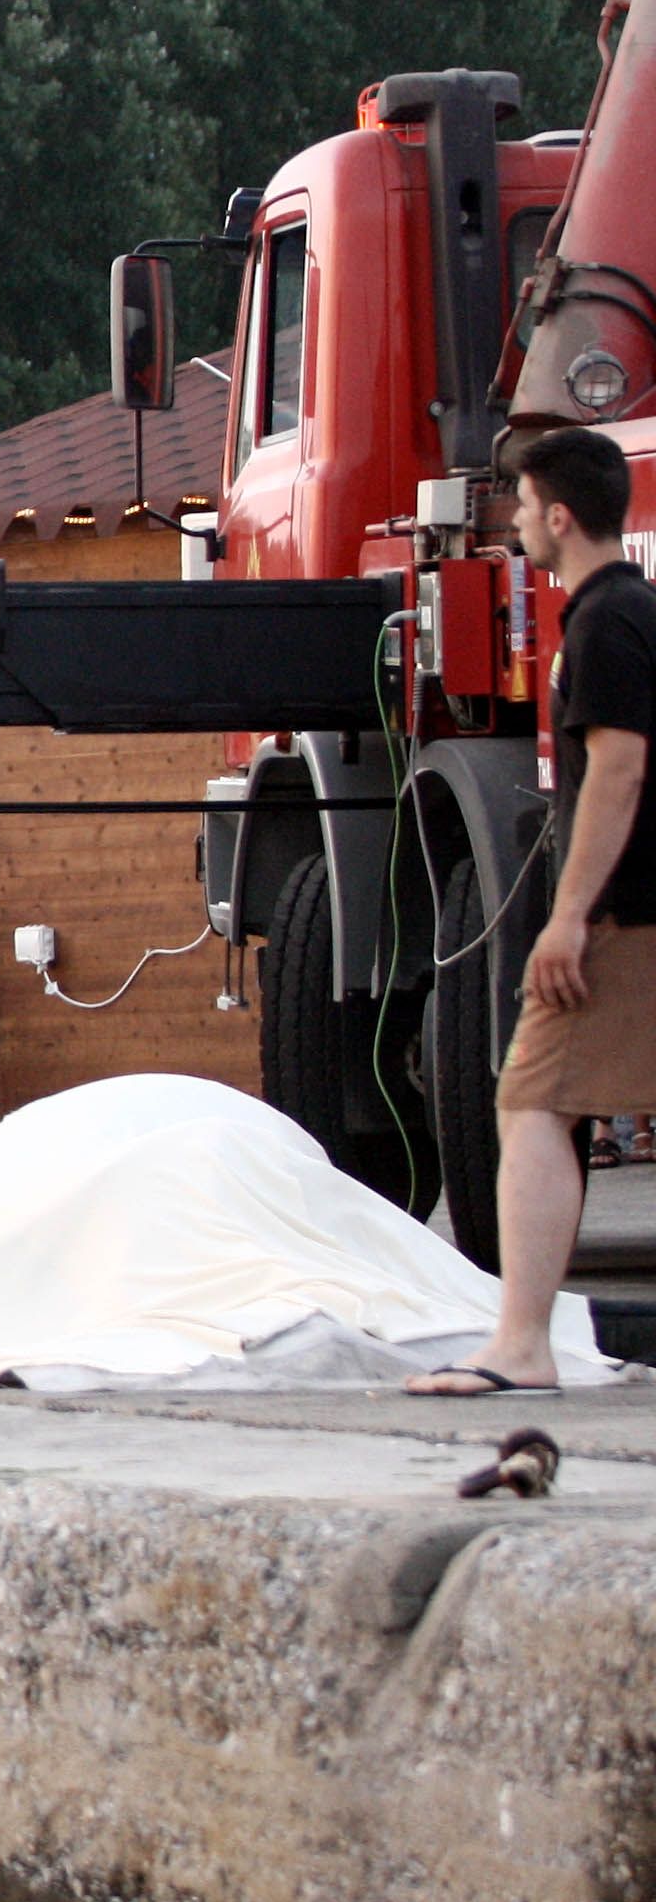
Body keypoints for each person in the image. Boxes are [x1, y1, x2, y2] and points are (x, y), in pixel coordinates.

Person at [416, 427, 649, 1396]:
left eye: (519, 503)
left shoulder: (605, 621)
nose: (512, 521)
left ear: (559, 514)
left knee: (531, 1103)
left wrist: (567, 916)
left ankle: (521, 1345)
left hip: (621, 917)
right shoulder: (632, 611)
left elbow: (620, 767)